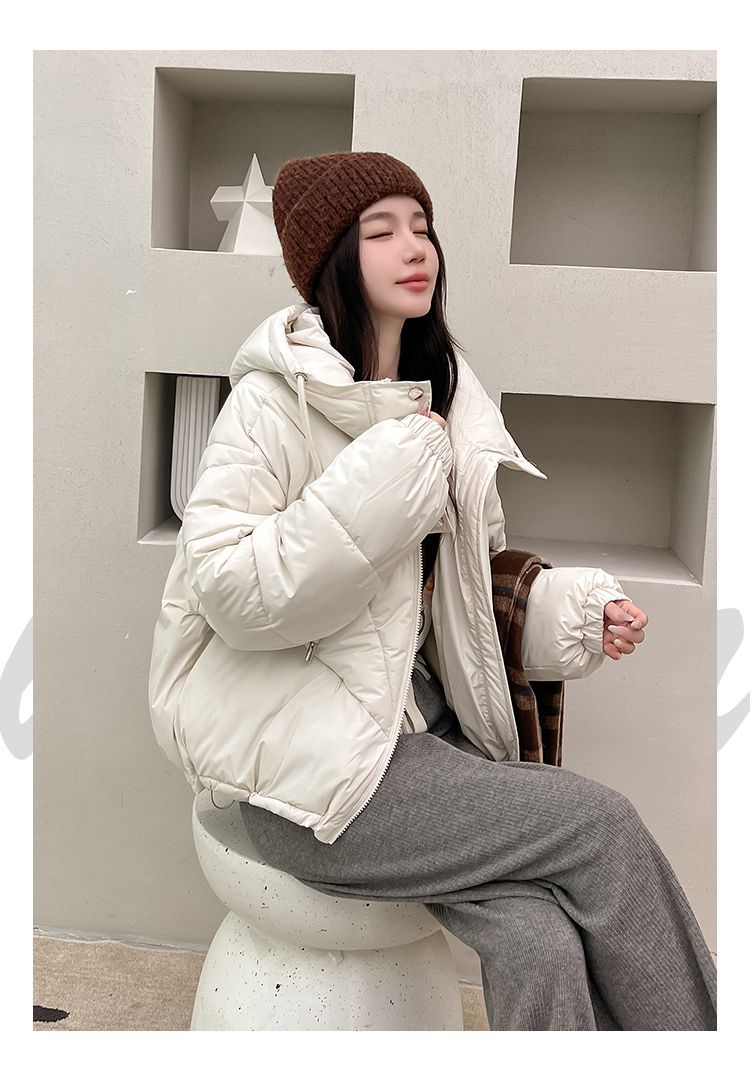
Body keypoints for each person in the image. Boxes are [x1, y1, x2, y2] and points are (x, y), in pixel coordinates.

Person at [147, 151, 717, 1030]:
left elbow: (459, 595)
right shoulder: (270, 406)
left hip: (423, 744)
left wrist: (572, 610)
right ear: (335, 260)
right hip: (311, 779)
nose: (416, 248)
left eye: (422, 227)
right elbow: (229, 592)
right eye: (382, 232)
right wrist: (386, 478)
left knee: (538, 937)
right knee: (601, 825)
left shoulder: (444, 394)